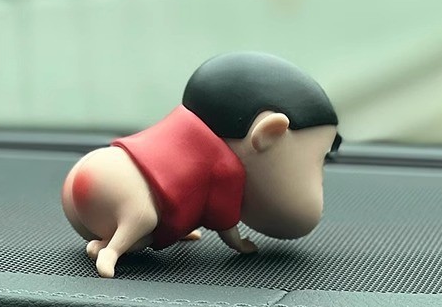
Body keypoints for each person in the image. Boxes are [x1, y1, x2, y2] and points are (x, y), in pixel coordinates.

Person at [62, 52, 340, 278]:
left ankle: (103, 243)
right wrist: (238, 243)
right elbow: (224, 219)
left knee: (149, 231)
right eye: (319, 161)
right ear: (268, 134)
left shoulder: (181, 128)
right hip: (115, 191)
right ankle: (112, 251)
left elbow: (190, 194)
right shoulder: (226, 168)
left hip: (85, 179)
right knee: (143, 216)